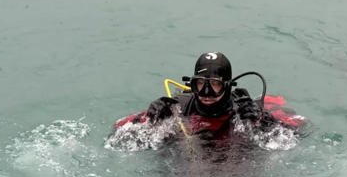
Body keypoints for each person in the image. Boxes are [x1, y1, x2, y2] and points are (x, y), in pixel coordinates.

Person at [110, 52, 305, 143]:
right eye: (200, 84)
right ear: (192, 85)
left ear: (228, 86)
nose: (206, 92)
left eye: (215, 84)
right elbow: (119, 127)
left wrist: (265, 121)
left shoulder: (245, 112)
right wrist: (150, 117)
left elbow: (301, 126)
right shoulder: (179, 108)